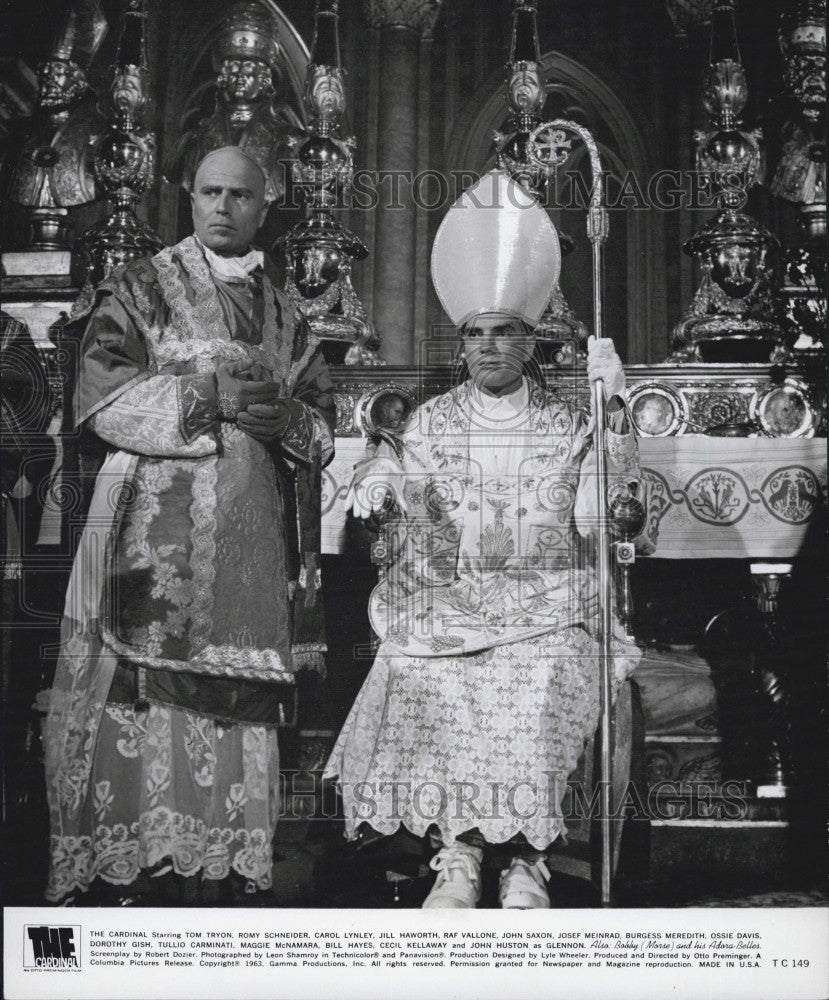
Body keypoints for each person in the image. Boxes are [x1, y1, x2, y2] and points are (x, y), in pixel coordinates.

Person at [324, 169, 655, 909]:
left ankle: (526, 860)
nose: (487, 346)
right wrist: (379, 480)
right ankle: (458, 854)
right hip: (448, 604)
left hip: (547, 605)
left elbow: (607, 516)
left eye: (503, 331)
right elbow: (399, 477)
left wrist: (615, 414)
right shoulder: (433, 420)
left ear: (530, 338)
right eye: (474, 334)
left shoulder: (566, 424)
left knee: (538, 679)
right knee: (417, 672)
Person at [42, 145, 335, 905]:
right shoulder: (142, 285)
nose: (222, 206)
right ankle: (138, 853)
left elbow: (322, 420)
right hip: (150, 513)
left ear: (263, 206)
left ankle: (221, 855)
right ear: (188, 195)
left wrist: (290, 420)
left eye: (240, 195)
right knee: (141, 681)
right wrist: (210, 398)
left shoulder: (286, 308)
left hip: (253, 530)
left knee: (234, 685)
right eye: (209, 190)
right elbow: (101, 395)